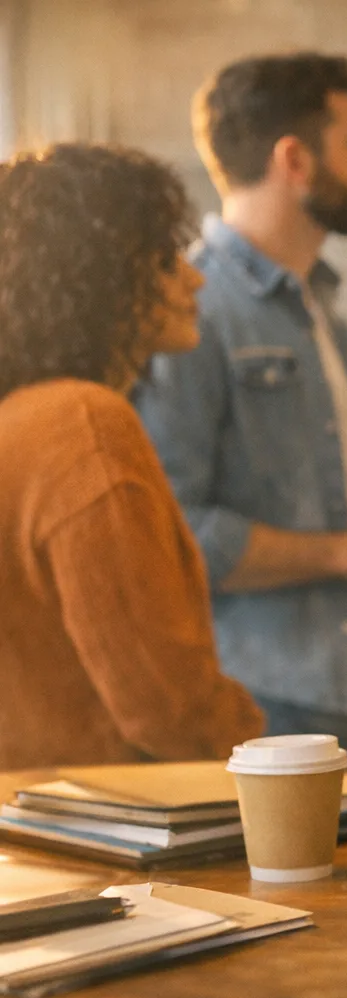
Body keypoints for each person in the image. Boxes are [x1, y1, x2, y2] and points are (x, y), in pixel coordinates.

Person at [135, 53, 347, 764]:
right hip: (271, 700)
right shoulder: (194, 310)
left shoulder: (320, 303)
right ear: (294, 159)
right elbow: (170, 533)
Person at [0, 143, 265, 770]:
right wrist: (264, 753)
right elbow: (164, 701)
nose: (194, 275)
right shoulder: (83, 424)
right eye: (166, 258)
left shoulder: (20, 419)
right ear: (99, 275)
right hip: (114, 831)